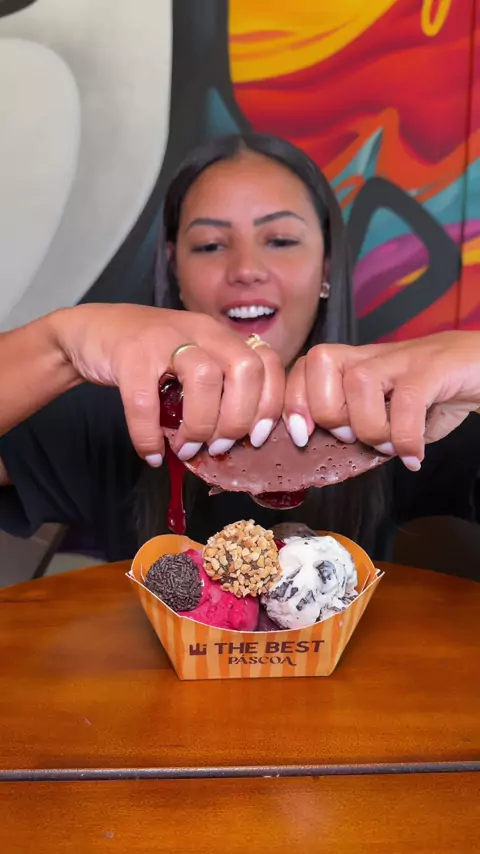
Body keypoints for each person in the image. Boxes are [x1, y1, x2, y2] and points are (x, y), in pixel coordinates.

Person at [1, 133, 479, 563]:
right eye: (210, 245)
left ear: (327, 267)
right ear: (175, 270)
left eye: (281, 240)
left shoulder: (403, 413)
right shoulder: (118, 414)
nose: (246, 269)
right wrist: (60, 344)